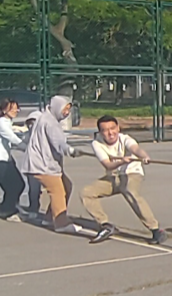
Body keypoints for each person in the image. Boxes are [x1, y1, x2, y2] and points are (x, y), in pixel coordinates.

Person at [19, 93, 111, 242]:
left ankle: (49, 217)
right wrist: (71, 150)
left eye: (69, 109)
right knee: (58, 191)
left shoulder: (47, 118)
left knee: (66, 185)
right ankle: (61, 223)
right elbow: (59, 143)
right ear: (57, 107)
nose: (67, 112)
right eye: (65, 109)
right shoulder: (50, 123)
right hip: (42, 165)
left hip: (44, 163)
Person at [82, 115, 166, 244]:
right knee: (86, 193)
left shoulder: (125, 139)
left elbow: (136, 149)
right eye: (105, 130)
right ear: (100, 132)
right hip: (113, 176)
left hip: (132, 173)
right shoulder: (97, 143)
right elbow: (108, 165)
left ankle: (155, 229)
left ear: (118, 128)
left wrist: (144, 156)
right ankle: (105, 225)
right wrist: (121, 161)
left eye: (112, 128)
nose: (110, 133)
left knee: (129, 190)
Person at [0, 99, 27, 220]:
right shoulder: (1, 123)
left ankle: (5, 208)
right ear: (3, 110)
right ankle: (8, 211)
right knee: (13, 186)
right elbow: (12, 138)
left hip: (5, 159)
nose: (15, 110)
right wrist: (28, 149)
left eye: (16, 108)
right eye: (11, 108)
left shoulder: (7, 122)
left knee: (19, 184)